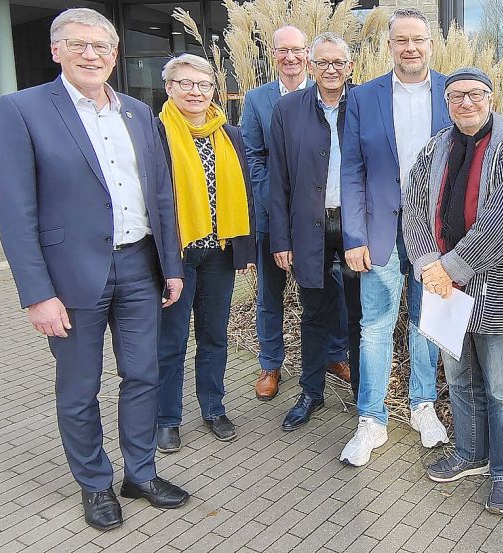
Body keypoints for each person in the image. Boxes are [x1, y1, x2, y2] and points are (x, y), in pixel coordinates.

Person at [0, 7, 189, 532]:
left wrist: (171, 265)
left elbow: (162, 197)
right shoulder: (22, 110)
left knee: (143, 375)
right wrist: (37, 294)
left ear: (114, 54)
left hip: (139, 268)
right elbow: (16, 211)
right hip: (70, 277)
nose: (91, 54)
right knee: (80, 388)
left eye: (101, 46)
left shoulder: (136, 112)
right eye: (78, 44)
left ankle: (140, 473)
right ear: (56, 50)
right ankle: (95, 484)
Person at [403, 67, 503, 515]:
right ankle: (469, 453)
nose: (466, 102)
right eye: (457, 95)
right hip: (444, 291)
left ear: (491, 96)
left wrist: (450, 268)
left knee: (500, 387)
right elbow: (414, 209)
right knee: (459, 379)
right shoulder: (435, 148)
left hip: (494, 286)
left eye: (475, 94)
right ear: (446, 102)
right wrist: (428, 266)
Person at [339, 7, 452, 466]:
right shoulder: (364, 97)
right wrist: (353, 234)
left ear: (430, 44)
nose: (410, 47)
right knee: (375, 326)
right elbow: (350, 168)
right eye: (401, 39)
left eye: (418, 39)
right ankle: (371, 418)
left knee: (428, 324)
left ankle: (422, 406)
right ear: (389, 46)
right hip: (380, 231)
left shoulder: (454, 92)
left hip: (436, 233)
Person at [240, 25, 351, 401]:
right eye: (281, 50)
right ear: (272, 54)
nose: (290, 57)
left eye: (297, 50)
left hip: (324, 215)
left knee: (329, 290)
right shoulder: (260, 100)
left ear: (308, 55)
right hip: (277, 211)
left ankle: (335, 355)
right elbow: (256, 157)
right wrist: (276, 202)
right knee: (270, 291)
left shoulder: (341, 96)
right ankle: (270, 362)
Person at [153, 54, 255, 452]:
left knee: (214, 335)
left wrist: (245, 247)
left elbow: (245, 191)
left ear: (214, 90)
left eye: (203, 85)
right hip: (176, 256)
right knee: (172, 340)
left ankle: (213, 407)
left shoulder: (230, 134)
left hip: (219, 252)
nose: (196, 92)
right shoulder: (155, 133)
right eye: (186, 84)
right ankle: (167, 418)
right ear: (170, 88)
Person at [270, 33, 362, 430]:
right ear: (310, 65)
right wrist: (281, 239)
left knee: (362, 314)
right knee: (313, 312)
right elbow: (279, 179)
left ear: (351, 66)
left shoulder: (364, 104)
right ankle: (311, 392)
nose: (330, 69)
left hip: (356, 226)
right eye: (323, 62)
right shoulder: (287, 110)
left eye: (338, 62)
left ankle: (365, 392)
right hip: (309, 228)